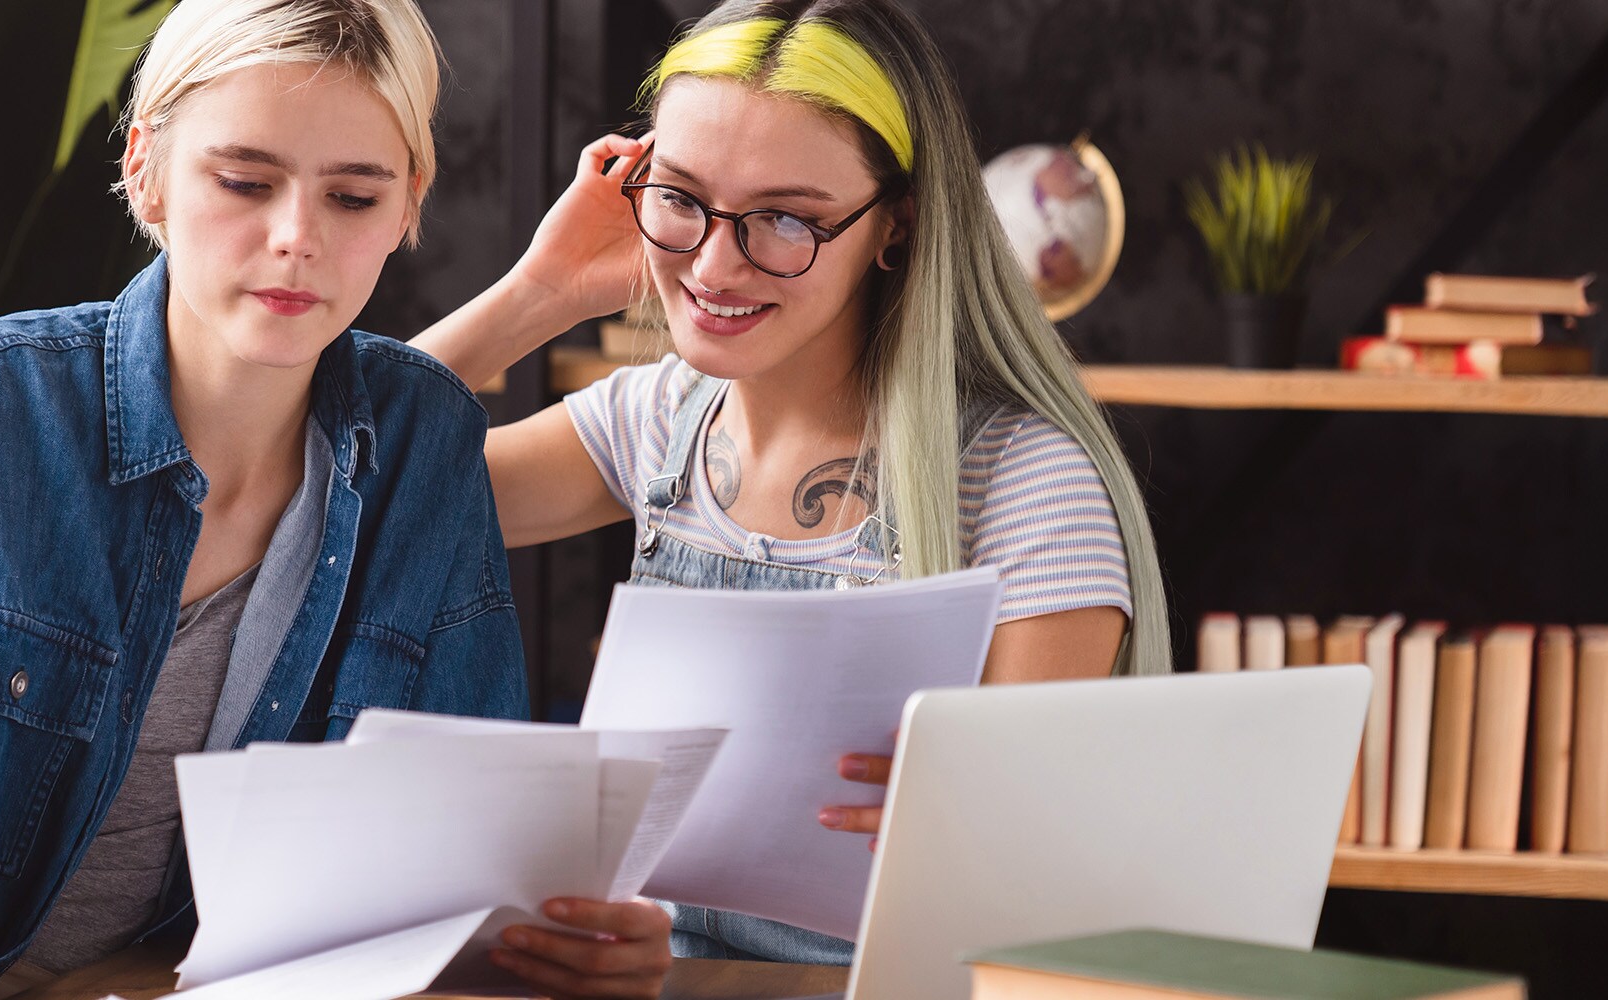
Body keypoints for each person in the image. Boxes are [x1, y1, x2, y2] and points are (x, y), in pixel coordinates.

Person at [0, 1, 671, 997]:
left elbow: (469, 837)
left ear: (409, 207)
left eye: (354, 198)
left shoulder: (422, 439)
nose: (295, 239)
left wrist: (561, 935)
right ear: (146, 170)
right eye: (242, 181)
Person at [416, 0, 1171, 966]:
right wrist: (543, 290)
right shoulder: (658, 418)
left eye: (785, 219)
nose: (716, 265)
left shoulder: (1023, 482)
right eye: (681, 198)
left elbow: (1026, 911)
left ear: (894, 228)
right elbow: (357, 484)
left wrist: (978, 833)